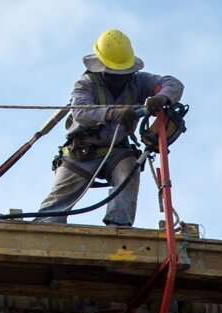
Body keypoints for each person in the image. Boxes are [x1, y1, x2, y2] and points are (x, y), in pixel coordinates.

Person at [36, 29, 183, 226]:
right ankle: (45, 227)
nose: (120, 77)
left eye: (124, 73)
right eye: (115, 73)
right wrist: (114, 113)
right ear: (101, 68)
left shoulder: (138, 81)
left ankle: (119, 226)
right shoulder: (85, 84)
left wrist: (161, 97)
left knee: (129, 170)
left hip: (117, 151)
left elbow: (173, 83)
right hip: (82, 151)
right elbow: (81, 113)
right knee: (55, 207)